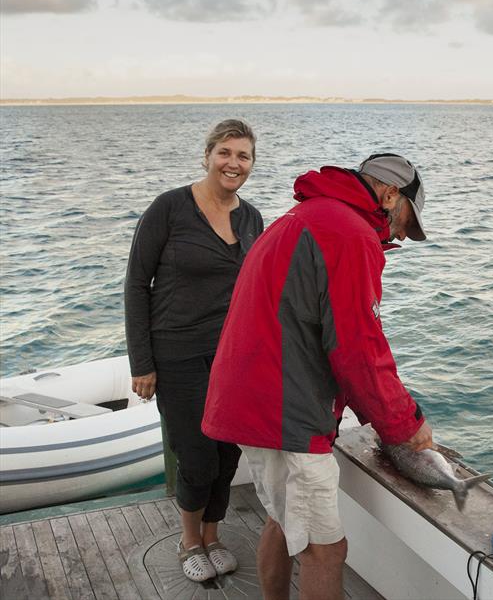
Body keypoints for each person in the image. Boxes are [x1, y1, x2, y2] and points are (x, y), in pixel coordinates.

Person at [201, 153, 434, 599]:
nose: (403, 233)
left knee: (283, 521)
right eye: (406, 219)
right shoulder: (348, 234)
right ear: (389, 195)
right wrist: (406, 425)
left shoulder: (312, 214)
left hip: (254, 398)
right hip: (284, 410)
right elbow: (358, 349)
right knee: (325, 551)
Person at [124, 119, 264, 583]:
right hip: (177, 352)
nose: (233, 163)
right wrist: (142, 362)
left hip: (231, 357)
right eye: (225, 152)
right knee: (198, 454)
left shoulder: (251, 218)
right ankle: (189, 541)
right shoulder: (170, 208)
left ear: (251, 165)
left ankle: (213, 534)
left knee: (227, 455)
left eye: (243, 156)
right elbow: (135, 285)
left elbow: (255, 291)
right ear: (207, 156)